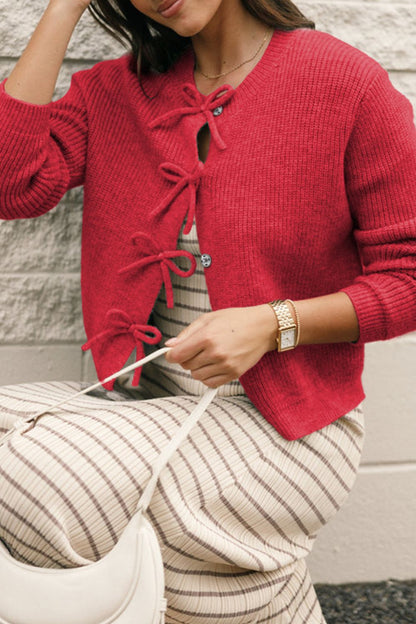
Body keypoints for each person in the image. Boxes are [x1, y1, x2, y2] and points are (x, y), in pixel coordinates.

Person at [0, 0, 415, 622]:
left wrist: (273, 323)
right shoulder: (116, 92)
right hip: (143, 415)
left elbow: (408, 276)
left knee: (37, 472)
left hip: (286, 431)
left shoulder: (343, 81)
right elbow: (14, 183)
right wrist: (63, 7)